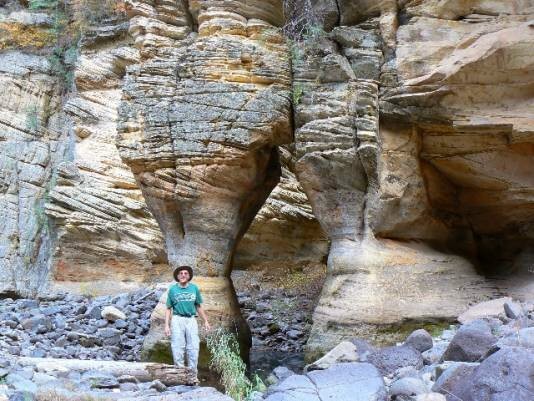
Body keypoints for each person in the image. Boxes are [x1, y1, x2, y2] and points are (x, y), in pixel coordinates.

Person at [164, 265, 211, 374]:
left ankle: (192, 374)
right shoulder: (173, 290)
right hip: (177, 319)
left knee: (193, 346)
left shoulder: (194, 288)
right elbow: (168, 308)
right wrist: (166, 325)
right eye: (181, 273)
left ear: (189, 276)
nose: (183, 275)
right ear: (177, 276)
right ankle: (179, 373)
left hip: (191, 319)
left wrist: (206, 321)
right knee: (177, 346)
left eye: (185, 273)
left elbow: (198, 306)